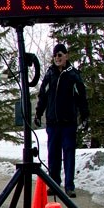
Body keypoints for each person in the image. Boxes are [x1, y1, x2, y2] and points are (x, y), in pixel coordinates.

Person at [35, 43, 88, 199]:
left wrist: (84, 116)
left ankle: (69, 186)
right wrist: (38, 114)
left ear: (66, 56)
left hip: (68, 123)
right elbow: (43, 96)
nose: (57, 58)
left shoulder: (73, 75)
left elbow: (82, 99)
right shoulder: (49, 74)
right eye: (55, 55)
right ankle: (54, 184)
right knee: (53, 155)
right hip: (53, 123)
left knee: (69, 154)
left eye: (60, 55)